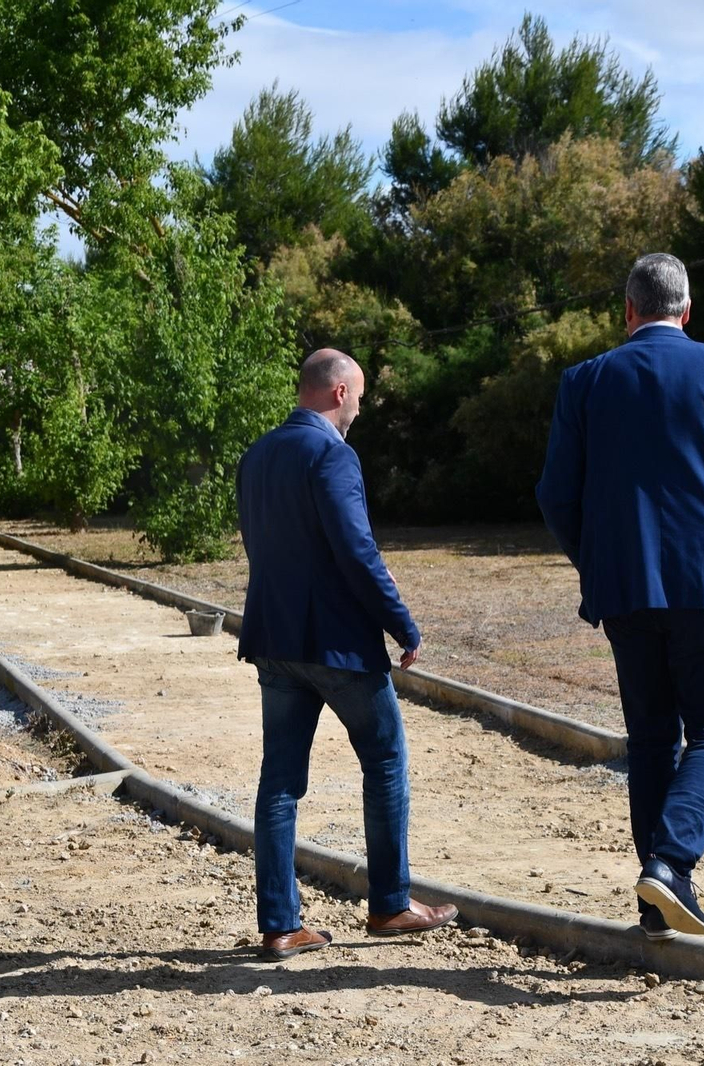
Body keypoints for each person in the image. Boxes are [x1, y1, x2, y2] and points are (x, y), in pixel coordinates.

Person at [536, 253, 704, 940]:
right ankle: (672, 863)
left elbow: (556, 495)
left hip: (625, 586)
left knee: (650, 739)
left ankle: (656, 904)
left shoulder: (585, 380)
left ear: (628, 311)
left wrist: (599, 560)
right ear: (687, 309)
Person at [236, 348, 459, 962]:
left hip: (274, 639)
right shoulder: (332, 454)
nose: (359, 407)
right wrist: (402, 624)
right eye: (358, 395)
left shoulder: (257, 455)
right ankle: (390, 903)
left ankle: (281, 925)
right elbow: (357, 550)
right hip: (337, 645)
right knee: (385, 759)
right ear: (339, 392)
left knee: (279, 780)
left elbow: (266, 546)